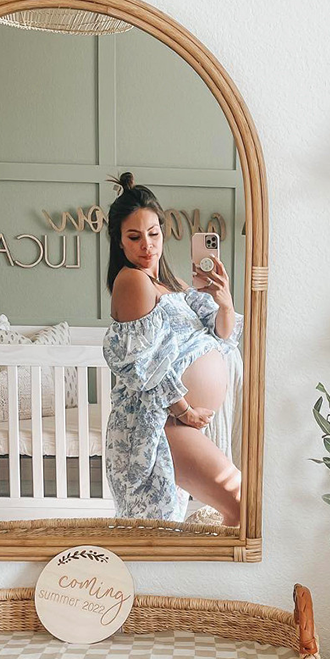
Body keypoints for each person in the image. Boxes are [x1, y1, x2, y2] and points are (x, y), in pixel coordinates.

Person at [102, 172, 243, 525]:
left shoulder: (174, 285)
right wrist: (185, 411)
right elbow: (143, 365)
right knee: (240, 503)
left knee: (236, 507)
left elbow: (222, 335)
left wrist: (225, 301)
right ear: (119, 242)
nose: (147, 245)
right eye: (134, 237)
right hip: (159, 423)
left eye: (153, 234)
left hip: (180, 423)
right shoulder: (132, 281)